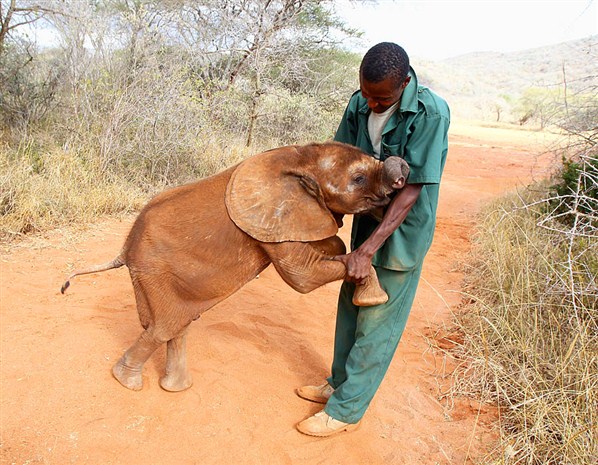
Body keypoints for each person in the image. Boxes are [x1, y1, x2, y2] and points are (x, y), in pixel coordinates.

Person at [295, 42, 450, 437]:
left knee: (377, 324)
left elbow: (413, 190)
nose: (373, 103)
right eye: (366, 93)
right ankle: (337, 384)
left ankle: (346, 411)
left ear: (404, 82)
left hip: (401, 234)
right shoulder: (360, 103)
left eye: (382, 98)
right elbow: (338, 160)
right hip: (367, 219)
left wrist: (367, 250)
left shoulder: (430, 113)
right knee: (351, 308)